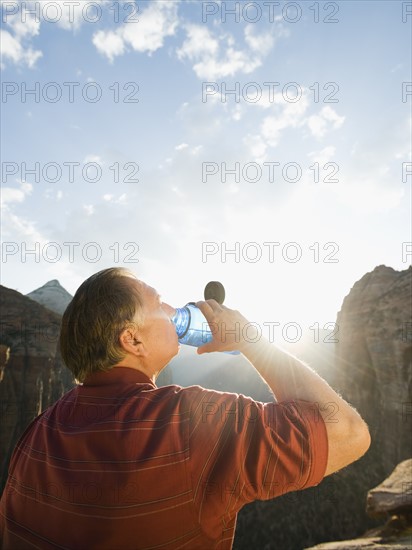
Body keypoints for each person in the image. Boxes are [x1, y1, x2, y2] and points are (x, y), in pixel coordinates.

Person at [0, 267, 370, 549]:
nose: (172, 308)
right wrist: (252, 341)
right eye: (157, 302)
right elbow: (348, 433)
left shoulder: (37, 433)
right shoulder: (190, 422)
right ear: (132, 339)